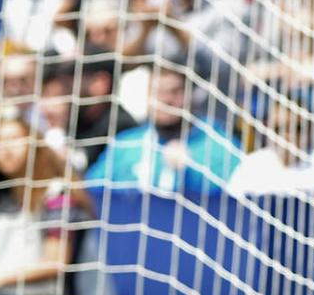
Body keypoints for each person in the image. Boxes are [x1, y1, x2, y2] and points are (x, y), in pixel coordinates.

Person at [0, 112, 84, 295]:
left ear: (33, 144)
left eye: (14, 139)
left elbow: (55, 261)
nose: (6, 148)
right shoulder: (0, 199)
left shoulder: (57, 195)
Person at [85, 64, 241, 196]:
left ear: (190, 95)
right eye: (158, 92)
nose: (166, 100)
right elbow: (93, 190)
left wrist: (190, 171)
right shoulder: (126, 144)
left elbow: (237, 192)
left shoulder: (219, 142)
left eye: (175, 91)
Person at [227, 100, 314, 199]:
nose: (288, 135)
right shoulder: (251, 166)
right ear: (266, 129)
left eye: (297, 128)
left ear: (311, 129)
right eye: (279, 128)